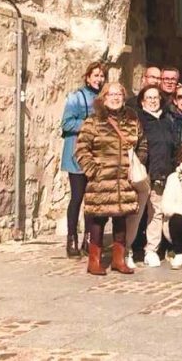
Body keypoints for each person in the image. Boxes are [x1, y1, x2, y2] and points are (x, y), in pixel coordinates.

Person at [75, 80, 147, 276]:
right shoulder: (93, 121)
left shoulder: (132, 119)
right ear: (103, 98)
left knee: (121, 219)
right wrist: (93, 171)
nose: (115, 98)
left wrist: (136, 164)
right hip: (101, 180)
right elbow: (81, 149)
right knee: (98, 220)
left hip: (124, 180)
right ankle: (94, 261)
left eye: (119, 95)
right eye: (111, 94)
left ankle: (118, 259)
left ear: (124, 98)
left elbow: (142, 143)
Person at [60, 61, 105, 257]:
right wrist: (89, 124)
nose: (99, 79)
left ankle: (89, 238)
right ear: (87, 77)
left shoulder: (104, 98)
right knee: (77, 197)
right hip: (77, 154)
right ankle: (71, 238)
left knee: (92, 198)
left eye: (102, 75)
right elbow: (67, 123)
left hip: (96, 155)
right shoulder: (76, 97)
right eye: (95, 75)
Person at [132, 84, 178, 267]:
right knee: (136, 213)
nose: (152, 101)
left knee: (156, 213)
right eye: (148, 97)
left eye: (155, 97)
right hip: (143, 173)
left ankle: (151, 249)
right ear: (142, 101)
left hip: (162, 173)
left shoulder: (167, 121)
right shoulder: (138, 120)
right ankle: (128, 249)